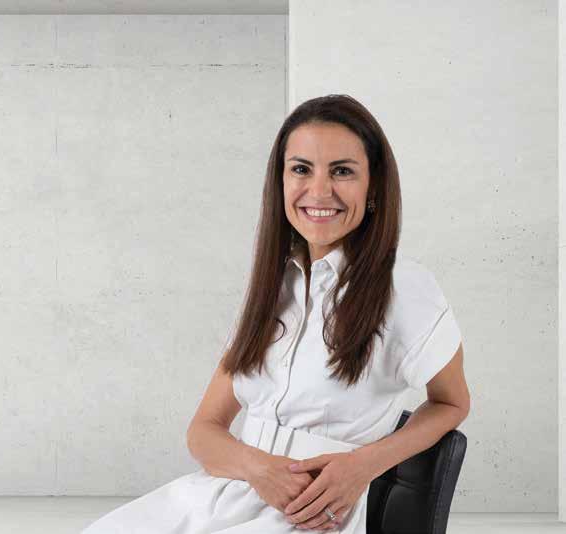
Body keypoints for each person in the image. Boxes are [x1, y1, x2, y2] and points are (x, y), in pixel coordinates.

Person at [81, 94, 470, 533]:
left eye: (342, 171)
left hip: (314, 513)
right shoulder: (274, 284)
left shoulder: (405, 286)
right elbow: (204, 431)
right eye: (301, 169)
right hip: (224, 494)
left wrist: (363, 466)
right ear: (280, 181)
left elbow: (452, 402)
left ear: (374, 186)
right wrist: (259, 470)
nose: (319, 191)